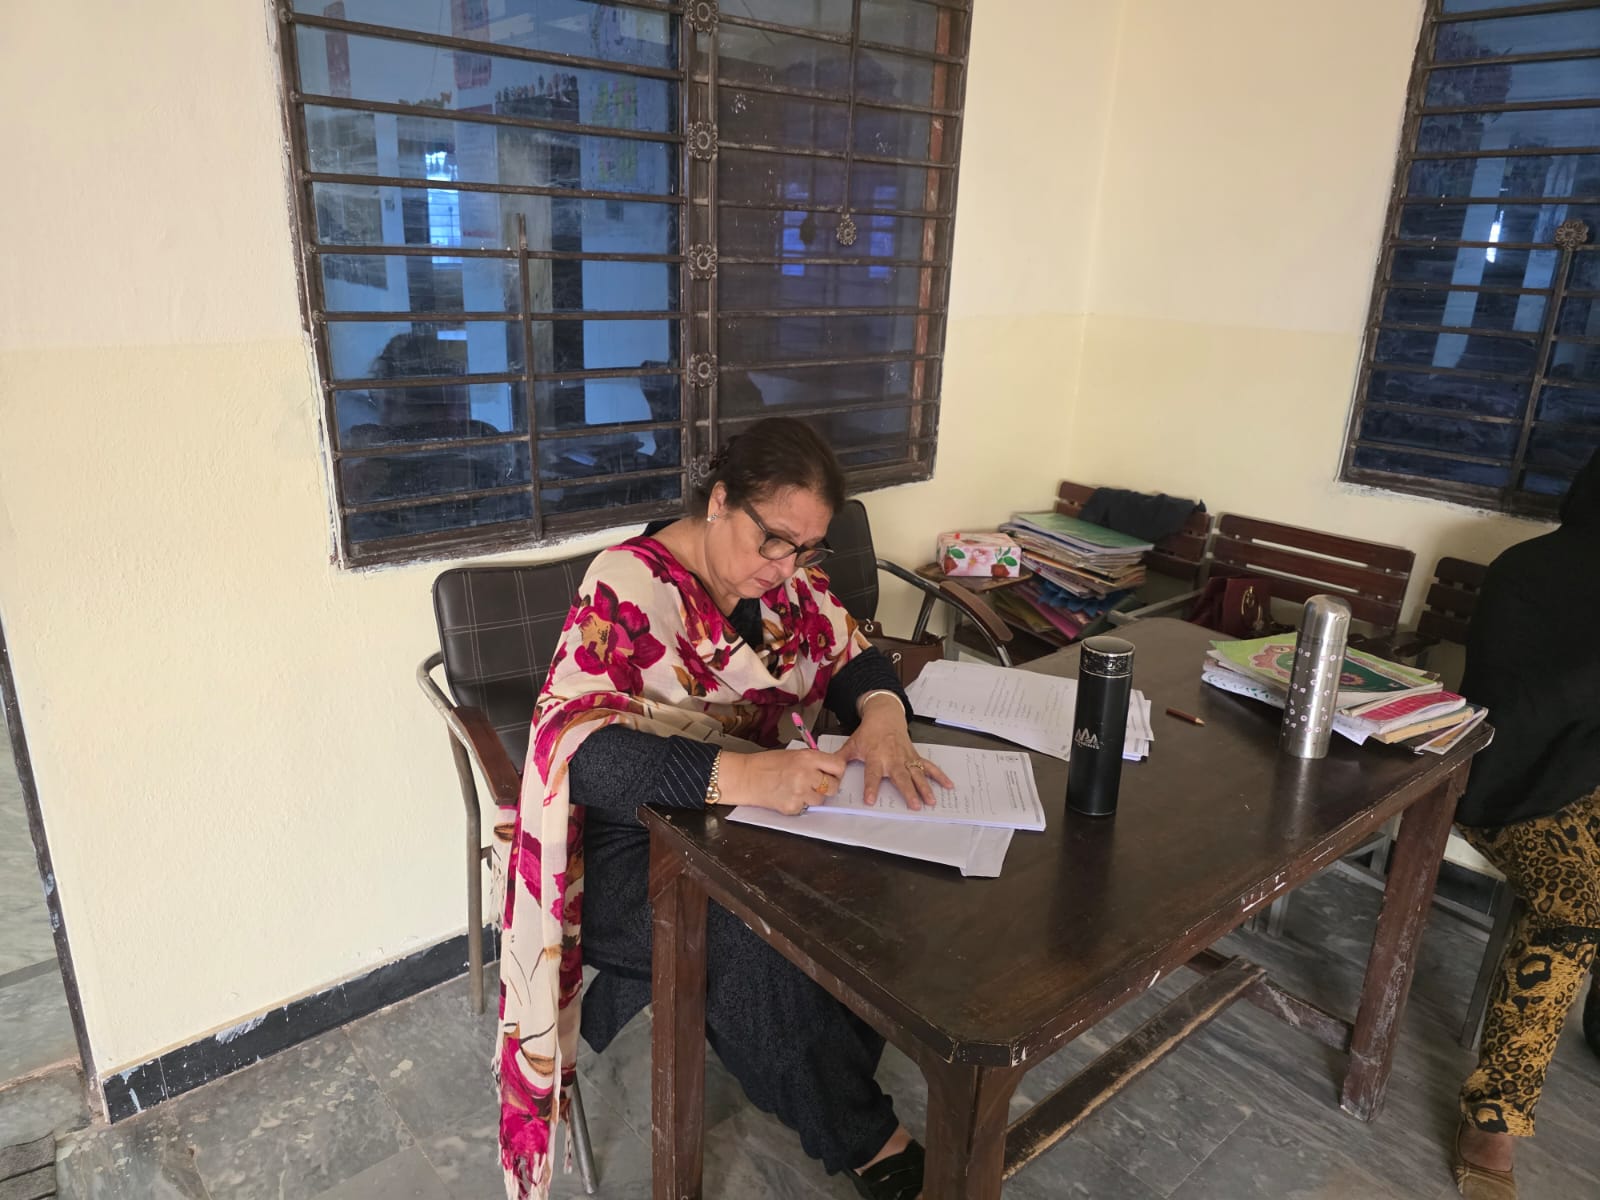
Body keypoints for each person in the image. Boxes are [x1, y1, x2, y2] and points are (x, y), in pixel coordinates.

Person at [495, 418, 949, 1200]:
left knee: (858, 889)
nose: (788, 567)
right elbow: (580, 753)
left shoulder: (786, 587)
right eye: (774, 540)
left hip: (734, 816)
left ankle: (808, 1065)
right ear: (719, 501)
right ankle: (871, 1140)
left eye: (809, 549)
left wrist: (883, 713)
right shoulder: (629, 585)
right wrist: (746, 775)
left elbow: (852, 653)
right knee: (751, 937)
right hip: (620, 844)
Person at [1450, 447, 1600, 1200]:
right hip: (1511, 791)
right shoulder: (1528, 572)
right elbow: (1517, 714)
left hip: (1585, 787)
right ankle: (1493, 1118)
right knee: (1577, 908)